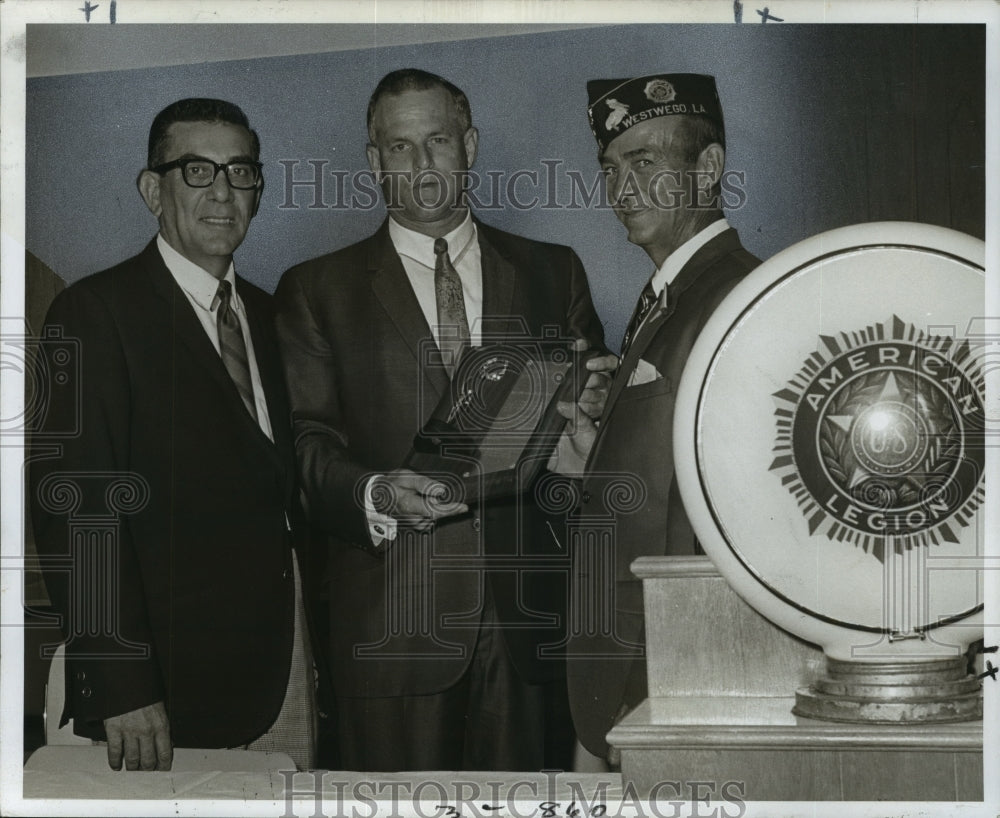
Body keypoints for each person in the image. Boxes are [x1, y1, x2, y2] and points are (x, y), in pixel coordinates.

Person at [275, 68, 608, 771]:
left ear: (471, 145)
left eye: (437, 141)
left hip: (530, 626)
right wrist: (377, 493)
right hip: (393, 628)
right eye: (399, 147)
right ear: (373, 161)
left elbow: (592, 445)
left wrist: (595, 428)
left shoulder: (556, 272)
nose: (422, 165)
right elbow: (306, 446)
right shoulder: (316, 290)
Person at [31, 98, 315, 771]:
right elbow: (76, 508)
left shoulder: (274, 318)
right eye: (197, 171)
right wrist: (121, 684)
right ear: (152, 189)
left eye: (241, 172)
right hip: (159, 692)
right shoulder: (95, 312)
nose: (223, 193)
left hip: (285, 672)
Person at [563, 74, 763, 762]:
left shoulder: (737, 295)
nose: (621, 189)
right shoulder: (669, 296)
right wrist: (599, 449)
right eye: (611, 169)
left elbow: (723, 530)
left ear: (707, 171)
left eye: (645, 163)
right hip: (632, 674)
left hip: (667, 677)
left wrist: (652, 691)